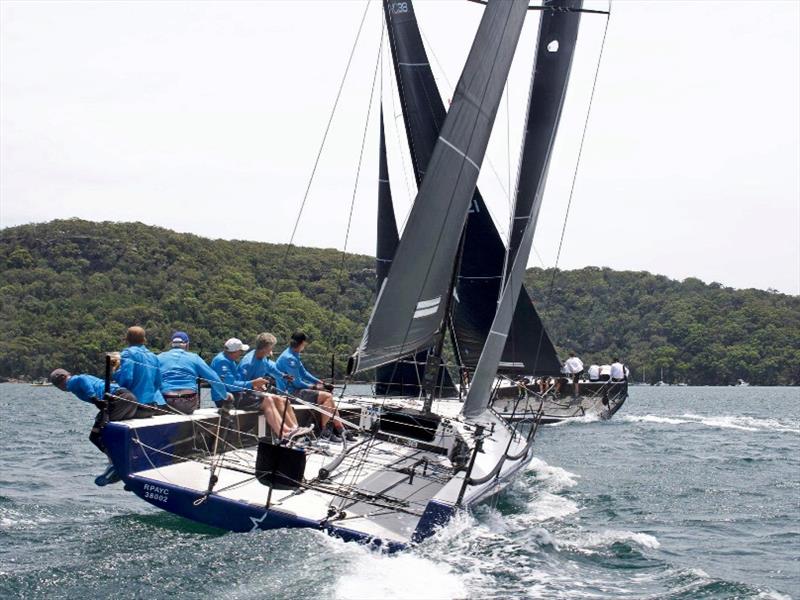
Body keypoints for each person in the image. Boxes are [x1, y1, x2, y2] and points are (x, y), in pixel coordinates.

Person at [50, 368, 148, 486]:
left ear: (59, 384)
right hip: (128, 397)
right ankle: (131, 462)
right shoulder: (82, 378)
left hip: (118, 399)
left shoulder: (71, 382)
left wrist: (93, 398)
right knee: (117, 433)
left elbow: (82, 380)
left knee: (97, 436)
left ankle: (115, 464)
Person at [276, 331, 354, 442]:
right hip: (289, 393)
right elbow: (297, 383)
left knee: (328, 397)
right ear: (302, 343)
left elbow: (304, 373)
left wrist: (321, 383)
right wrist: (315, 387)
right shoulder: (290, 358)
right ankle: (324, 431)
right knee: (327, 397)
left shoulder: (293, 353)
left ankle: (340, 429)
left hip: (296, 390)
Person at [210, 338, 294, 439]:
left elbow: (237, 382)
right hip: (225, 399)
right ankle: (283, 433)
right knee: (267, 401)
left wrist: (254, 385)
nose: (241, 354)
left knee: (277, 399)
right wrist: (253, 383)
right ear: (234, 351)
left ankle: (290, 429)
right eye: (240, 351)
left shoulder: (230, 360)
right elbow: (232, 386)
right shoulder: (222, 362)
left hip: (234, 394)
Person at [239, 333, 313, 440]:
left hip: (256, 391)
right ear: (265, 348)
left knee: (284, 400)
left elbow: (272, 369)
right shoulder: (248, 363)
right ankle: (284, 432)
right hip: (246, 394)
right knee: (270, 399)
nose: (272, 350)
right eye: (271, 347)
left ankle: (295, 428)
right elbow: (239, 385)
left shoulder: (263, 357)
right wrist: (254, 386)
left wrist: (284, 376)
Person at [158, 331, 227, 414]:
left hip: (167, 401)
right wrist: (225, 396)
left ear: (172, 344)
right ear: (187, 345)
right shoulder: (194, 358)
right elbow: (214, 378)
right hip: (188, 401)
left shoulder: (159, 357)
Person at [114, 326, 165, 411]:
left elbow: (126, 380)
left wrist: (115, 371)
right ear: (143, 339)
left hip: (133, 406)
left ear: (127, 339)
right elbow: (158, 383)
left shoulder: (128, 354)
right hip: (150, 407)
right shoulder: (153, 356)